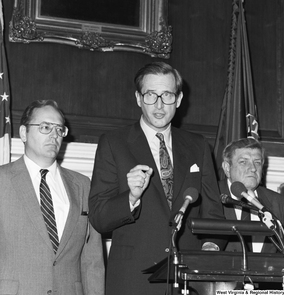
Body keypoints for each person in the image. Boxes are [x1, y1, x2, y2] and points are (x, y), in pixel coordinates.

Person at [88, 61, 225, 295]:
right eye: (151, 95)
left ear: (179, 100)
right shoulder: (114, 143)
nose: (159, 104)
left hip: (188, 281)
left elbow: (213, 214)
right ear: (138, 98)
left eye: (167, 95)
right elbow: (99, 218)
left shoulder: (198, 146)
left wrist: (210, 247)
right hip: (134, 280)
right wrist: (131, 198)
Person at [0, 100, 105, 295]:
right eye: (45, 127)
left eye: (59, 129)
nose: (54, 135)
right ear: (24, 133)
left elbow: (92, 260)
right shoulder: (2, 181)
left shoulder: (82, 185)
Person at [219, 137, 284, 253]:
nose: (253, 169)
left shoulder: (276, 201)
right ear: (227, 168)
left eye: (257, 162)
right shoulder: (212, 194)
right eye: (243, 162)